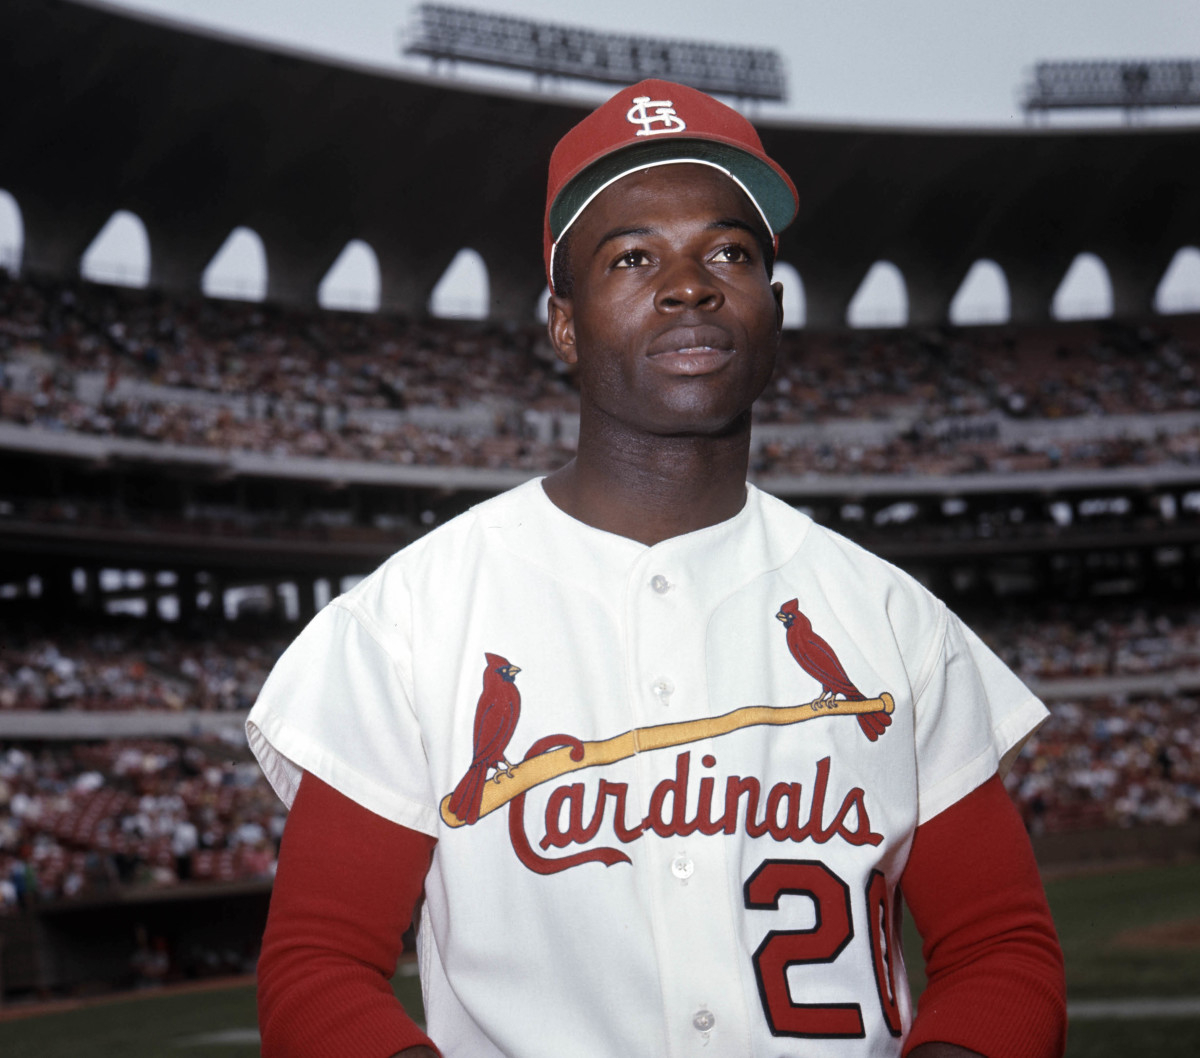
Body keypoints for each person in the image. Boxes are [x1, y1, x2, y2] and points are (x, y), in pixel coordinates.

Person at [247, 79, 1066, 1058]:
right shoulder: (410, 615)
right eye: (634, 257)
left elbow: (1000, 946)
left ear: (774, 307)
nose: (690, 283)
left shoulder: (895, 618)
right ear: (564, 323)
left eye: (728, 251)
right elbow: (319, 962)